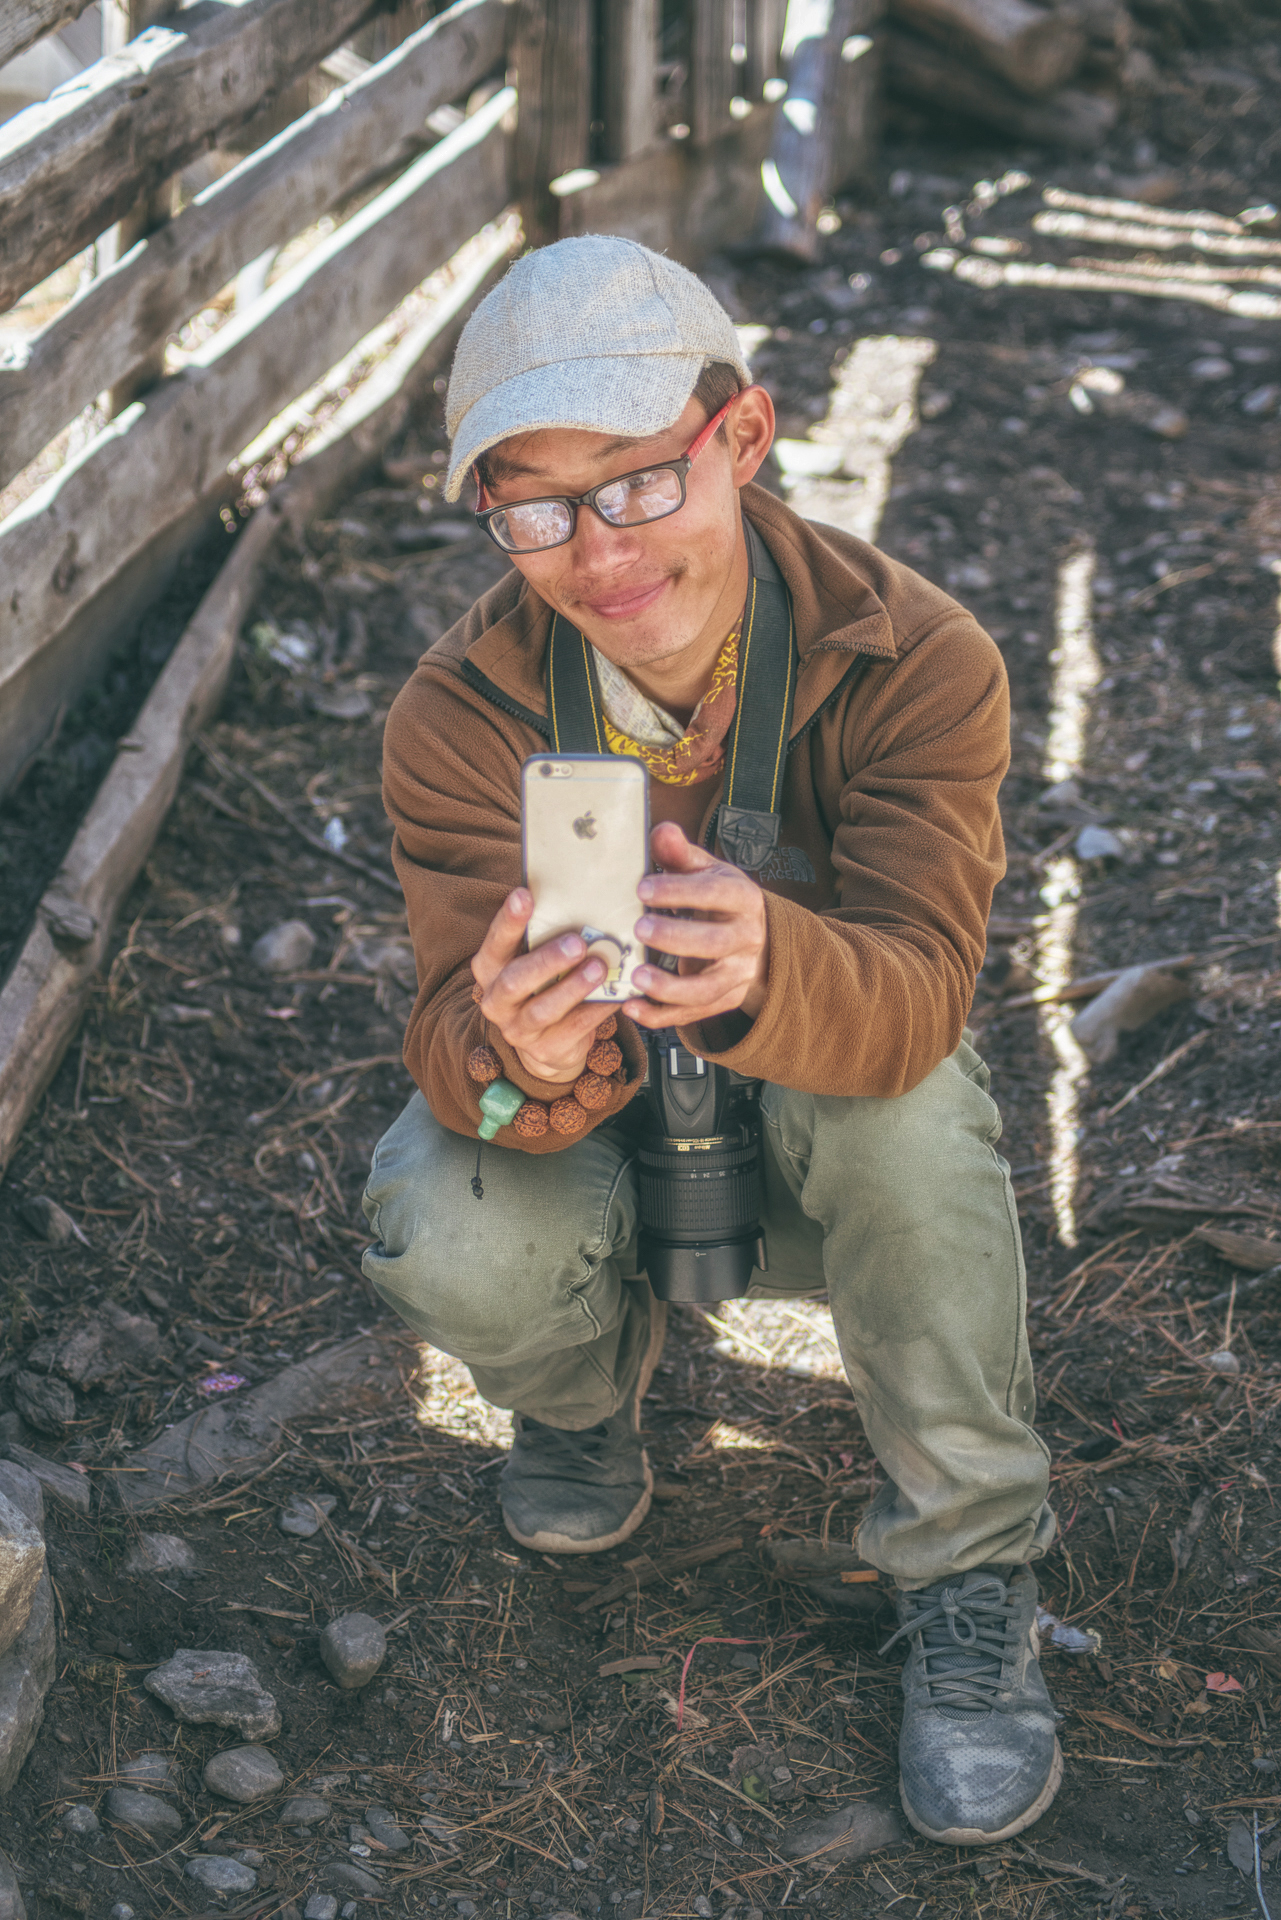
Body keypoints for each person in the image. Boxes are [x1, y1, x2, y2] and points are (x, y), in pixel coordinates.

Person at [361, 235, 1059, 1847]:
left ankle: (966, 1569)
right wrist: (517, 1055)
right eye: (530, 508)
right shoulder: (458, 714)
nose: (594, 552)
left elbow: (920, 997)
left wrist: (767, 967)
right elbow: (445, 1042)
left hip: (830, 1137)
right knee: (442, 1209)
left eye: (637, 484)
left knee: (911, 1110)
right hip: (605, 1142)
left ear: (740, 438)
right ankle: (578, 1389)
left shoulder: (914, 657)